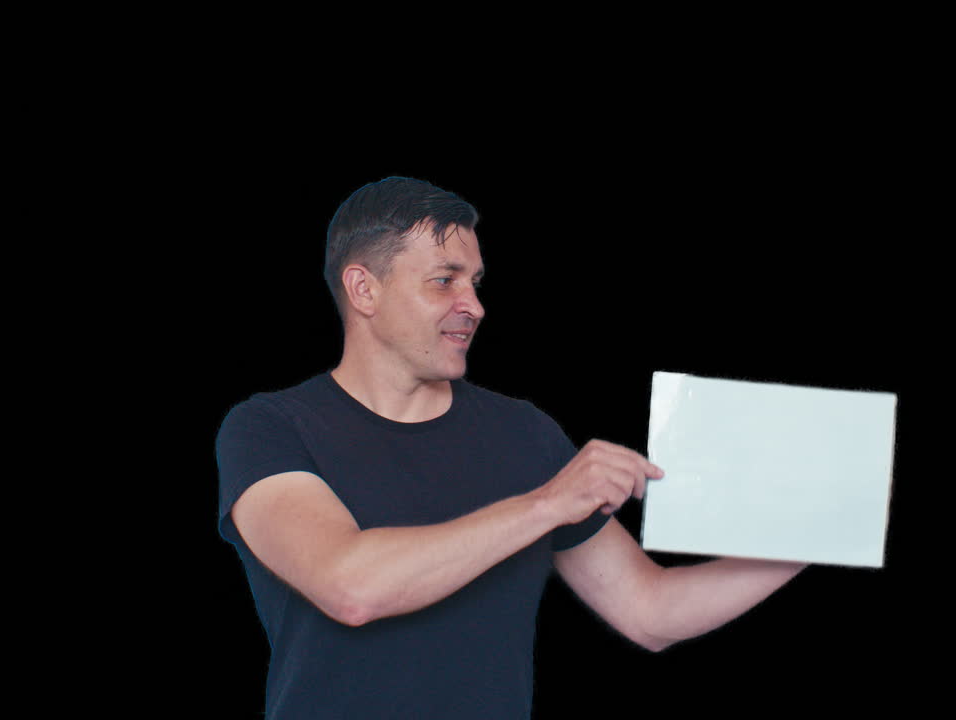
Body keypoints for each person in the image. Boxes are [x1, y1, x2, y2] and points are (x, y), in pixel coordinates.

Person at [215, 176, 807, 719]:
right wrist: (547, 505)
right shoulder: (268, 428)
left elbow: (649, 611)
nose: (472, 305)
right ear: (363, 288)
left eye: (474, 282)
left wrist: (812, 539)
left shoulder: (524, 434)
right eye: (444, 280)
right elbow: (350, 587)